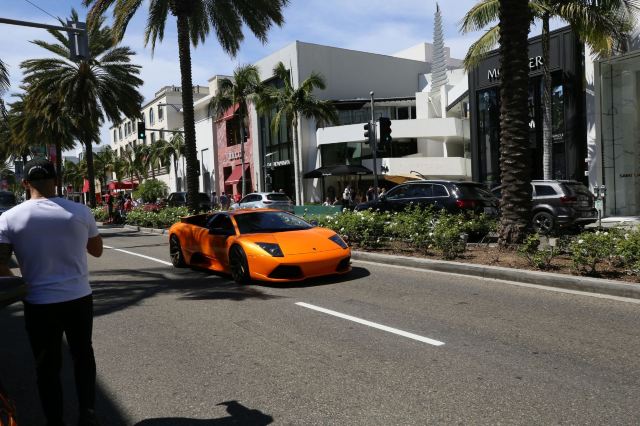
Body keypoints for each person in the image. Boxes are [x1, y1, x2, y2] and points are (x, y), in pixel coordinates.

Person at [0, 158, 103, 426]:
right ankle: (88, 414)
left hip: (38, 302)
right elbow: (97, 251)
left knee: (47, 367)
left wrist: (18, 284)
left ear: (25, 183)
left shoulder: (9, 218)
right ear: (56, 181)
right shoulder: (80, 211)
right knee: (83, 357)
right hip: (79, 298)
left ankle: (55, 422)